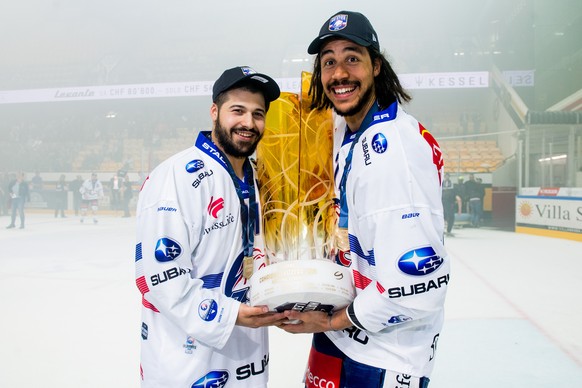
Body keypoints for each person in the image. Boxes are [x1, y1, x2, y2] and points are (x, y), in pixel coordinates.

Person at [279, 11, 450, 388]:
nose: (339, 73)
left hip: (382, 357)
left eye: (351, 58)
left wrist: (327, 320)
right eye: (329, 62)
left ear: (376, 65)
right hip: (341, 337)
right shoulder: (349, 134)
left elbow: (418, 289)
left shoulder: (395, 153)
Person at [134, 66, 287, 387]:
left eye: (258, 114)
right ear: (214, 112)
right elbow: (162, 280)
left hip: (249, 357)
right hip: (188, 364)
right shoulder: (175, 177)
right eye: (238, 111)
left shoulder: (262, 178)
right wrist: (231, 315)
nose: (249, 123)